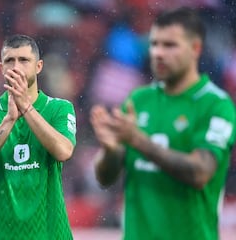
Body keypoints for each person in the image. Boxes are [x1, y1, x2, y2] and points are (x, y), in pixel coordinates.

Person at [90, 7, 236, 240]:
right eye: (154, 44)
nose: (158, 53)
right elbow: (105, 178)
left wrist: (137, 140)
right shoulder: (138, 100)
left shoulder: (216, 105)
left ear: (195, 48)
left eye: (169, 45)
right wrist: (111, 150)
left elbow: (200, 172)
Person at [0, 34, 77, 240]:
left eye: (24, 60)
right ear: (1, 68)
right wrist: (8, 120)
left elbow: (64, 151)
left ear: (39, 66)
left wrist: (26, 107)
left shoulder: (59, 108)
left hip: (50, 234)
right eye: (10, 60)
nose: (16, 66)